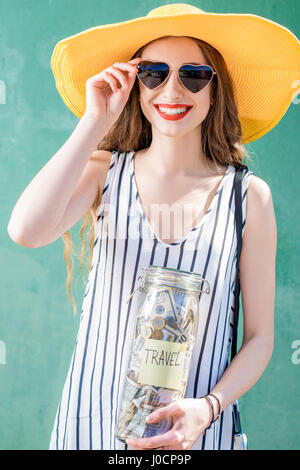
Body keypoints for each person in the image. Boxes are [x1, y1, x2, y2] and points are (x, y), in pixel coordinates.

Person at [7, 3, 299, 451]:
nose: (172, 89)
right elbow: (26, 230)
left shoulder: (248, 197)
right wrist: (95, 119)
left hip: (196, 435)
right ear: (134, 84)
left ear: (215, 88)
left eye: (194, 75)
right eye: (154, 73)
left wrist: (209, 407)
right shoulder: (104, 172)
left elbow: (260, 339)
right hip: (93, 425)